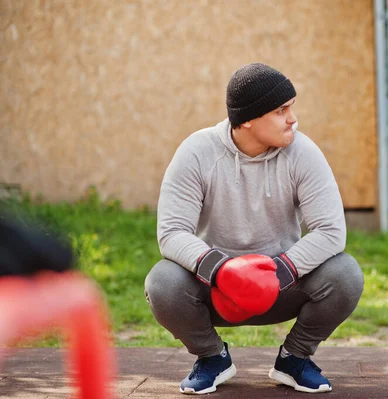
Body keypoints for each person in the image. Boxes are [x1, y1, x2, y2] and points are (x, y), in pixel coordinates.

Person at [144, 63, 364, 395]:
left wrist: (275, 273)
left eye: (291, 107)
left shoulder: (302, 152)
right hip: (216, 289)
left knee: (345, 274)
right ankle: (212, 357)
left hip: (280, 285)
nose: (293, 119)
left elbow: (330, 231)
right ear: (247, 119)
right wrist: (222, 271)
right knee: (162, 282)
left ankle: (294, 359)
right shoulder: (196, 152)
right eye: (281, 110)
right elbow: (172, 232)